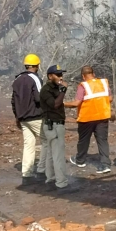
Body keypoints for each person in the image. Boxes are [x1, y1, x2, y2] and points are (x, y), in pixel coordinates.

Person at [65, 65, 112, 174]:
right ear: (93, 74)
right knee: (102, 141)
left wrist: (62, 104)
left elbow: (76, 103)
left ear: (83, 76)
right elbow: (110, 98)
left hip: (87, 118)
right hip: (102, 116)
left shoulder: (83, 85)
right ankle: (105, 165)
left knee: (84, 140)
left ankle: (80, 160)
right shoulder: (104, 83)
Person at [40, 65, 76, 194]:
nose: (61, 77)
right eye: (58, 75)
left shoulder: (54, 89)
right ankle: (61, 184)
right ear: (50, 76)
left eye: (61, 74)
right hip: (53, 125)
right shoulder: (46, 90)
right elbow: (55, 105)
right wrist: (63, 90)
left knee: (51, 153)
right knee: (58, 155)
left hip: (54, 124)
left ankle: (51, 179)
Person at [10, 53, 45, 186]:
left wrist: (17, 117)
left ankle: (27, 174)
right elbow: (39, 98)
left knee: (28, 145)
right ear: (37, 66)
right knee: (48, 141)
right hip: (35, 116)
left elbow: (13, 101)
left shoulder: (17, 79)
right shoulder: (35, 79)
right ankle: (42, 170)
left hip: (23, 118)